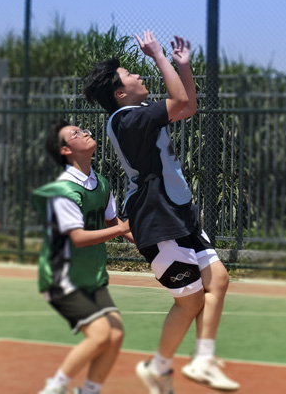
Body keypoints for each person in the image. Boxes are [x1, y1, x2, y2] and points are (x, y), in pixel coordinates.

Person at [84, 30, 239, 393]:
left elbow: (188, 107)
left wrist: (183, 66)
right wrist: (158, 55)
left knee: (218, 280)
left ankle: (201, 360)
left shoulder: (137, 114)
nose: (138, 75)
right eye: (130, 74)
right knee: (191, 301)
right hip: (156, 217)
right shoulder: (126, 119)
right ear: (119, 92)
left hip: (178, 210)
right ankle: (159, 367)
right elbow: (181, 100)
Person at [33, 119, 132, 394]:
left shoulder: (100, 182)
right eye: (76, 133)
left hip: (91, 276)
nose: (85, 133)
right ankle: (55, 388)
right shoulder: (64, 190)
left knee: (115, 334)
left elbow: (114, 222)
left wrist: (148, 243)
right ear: (65, 150)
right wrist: (121, 229)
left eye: (83, 130)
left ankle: (89, 391)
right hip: (63, 277)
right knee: (100, 335)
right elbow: (77, 237)